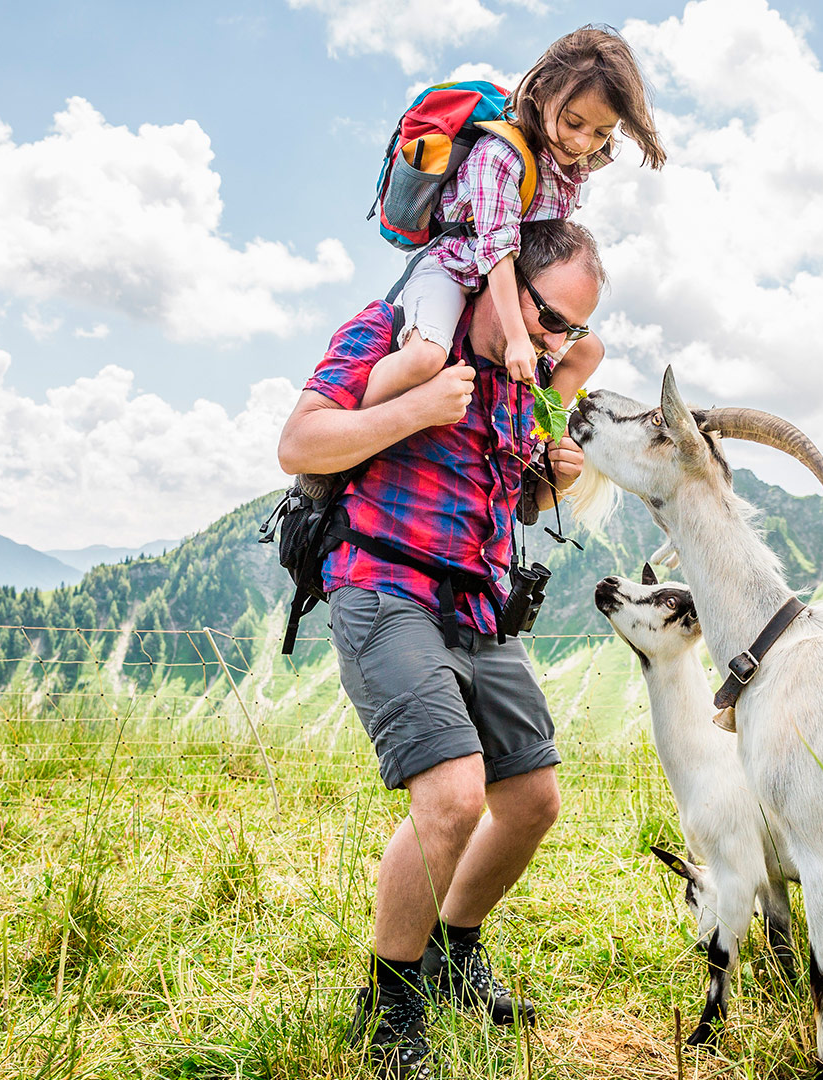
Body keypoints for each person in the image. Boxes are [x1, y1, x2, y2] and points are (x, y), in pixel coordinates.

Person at [276, 219, 605, 1079]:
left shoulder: (522, 381)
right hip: (382, 586)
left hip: (479, 607)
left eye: (570, 329)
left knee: (531, 799)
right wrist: (416, 405)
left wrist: (548, 479)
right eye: (548, 317)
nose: (555, 339)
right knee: (454, 797)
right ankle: (389, 1012)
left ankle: (453, 956)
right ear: (504, 283)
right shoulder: (398, 332)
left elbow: (514, 499)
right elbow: (299, 444)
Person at [362, 24, 662, 410]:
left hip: (515, 281)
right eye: (573, 122)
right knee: (425, 356)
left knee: (589, 351)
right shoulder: (498, 155)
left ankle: (540, 441)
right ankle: (353, 433)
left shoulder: (571, 166)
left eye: (602, 132)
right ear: (541, 94)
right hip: (457, 265)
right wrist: (518, 337)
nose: (583, 142)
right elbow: (496, 249)